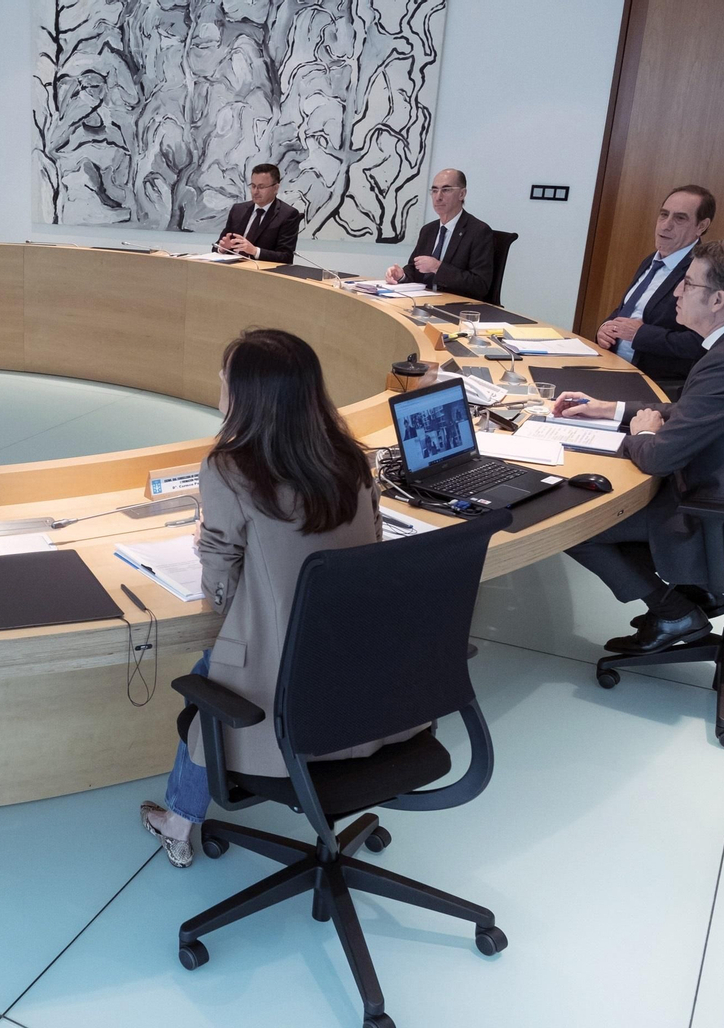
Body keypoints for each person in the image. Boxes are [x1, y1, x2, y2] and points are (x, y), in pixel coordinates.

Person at [138, 328, 421, 868]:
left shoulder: (229, 468)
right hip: (370, 677)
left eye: (224, 380)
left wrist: (213, 546)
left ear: (245, 397)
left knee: (208, 674)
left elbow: (218, 594)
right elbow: (371, 545)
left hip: (289, 689)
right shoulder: (352, 459)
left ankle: (178, 819)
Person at [555, 240, 724, 655]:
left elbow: (659, 458)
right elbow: (693, 410)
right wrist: (609, 408)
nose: (676, 292)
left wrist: (644, 434)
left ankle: (674, 613)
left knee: (576, 523)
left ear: (718, 300)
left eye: (688, 284)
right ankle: (696, 594)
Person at [595, 185, 715, 396]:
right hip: (612, 369)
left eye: (679, 218)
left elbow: (700, 343)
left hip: (653, 386)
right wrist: (605, 327)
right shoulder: (652, 260)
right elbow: (628, 309)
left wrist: (641, 334)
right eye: (663, 215)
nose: (665, 226)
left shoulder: (702, 272)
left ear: (701, 226)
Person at [386, 168, 494, 299]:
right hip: (424, 302)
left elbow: (480, 285)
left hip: (455, 307)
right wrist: (401, 275)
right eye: (434, 190)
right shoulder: (428, 230)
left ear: (462, 194)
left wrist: (438, 267)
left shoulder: (478, 232)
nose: (438, 197)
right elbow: (415, 269)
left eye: (446, 190)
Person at [215, 163, 301, 264]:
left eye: (261, 187)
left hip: (263, 275)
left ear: (276, 188)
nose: (255, 192)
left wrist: (255, 251)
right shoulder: (238, 210)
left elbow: (286, 256)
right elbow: (217, 245)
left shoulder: (288, 215)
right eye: (253, 186)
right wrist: (223, 248)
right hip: (233, 271)